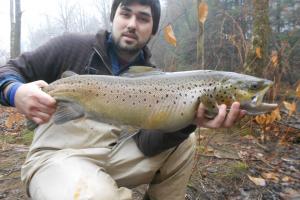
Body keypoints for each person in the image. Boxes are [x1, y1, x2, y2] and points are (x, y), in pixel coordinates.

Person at [0, 0, 246, 199]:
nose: (131, 24)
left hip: (112, 158)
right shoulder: (71, 46)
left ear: (153, 29)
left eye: (143, 18)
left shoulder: (154, 78)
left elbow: (148, 144)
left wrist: (189, 119)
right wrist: (15, 92)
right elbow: (6, 72)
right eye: (125, 13)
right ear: (113, 16)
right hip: (55, 158)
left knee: (184, 142)